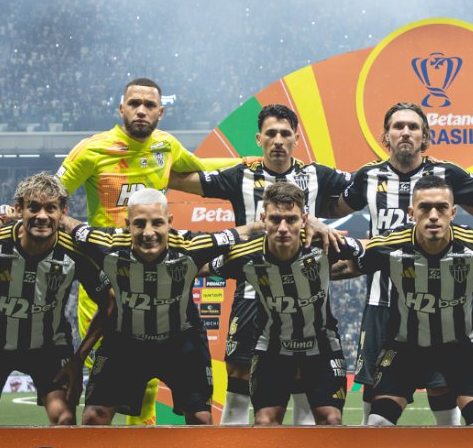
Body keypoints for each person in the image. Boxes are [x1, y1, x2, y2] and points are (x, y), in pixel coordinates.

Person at [53, 77, 250, 426]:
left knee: (148, 382)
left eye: (148, 105)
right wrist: (8, 214)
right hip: (105, 273)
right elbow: (52, 199)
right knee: (102, 377)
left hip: (156, 272)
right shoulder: (91, 150)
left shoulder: (166, 146)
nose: (141, 111)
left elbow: (203, 169)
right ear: (121, 109)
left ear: (160, 111)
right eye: (134, 104)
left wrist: (250, 162)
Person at [329, 101, 473, 424]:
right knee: (374, 396)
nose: (405, 132)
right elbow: (332, 212)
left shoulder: (446, 175)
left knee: (443, 390)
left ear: (425, 137)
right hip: (382, 301)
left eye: (413, 127)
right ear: (386, 137)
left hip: (434, 303)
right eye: (398, 126)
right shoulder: (368, 177)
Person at [172, 103, 350, 426]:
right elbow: (183, 181)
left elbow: (365, 189)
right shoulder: (241, 176)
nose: (278, 140)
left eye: (285, 133)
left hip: (305, 290)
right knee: (238, 376)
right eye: (271, 133)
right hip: (253, 289)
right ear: (259, 138)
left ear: (296, 138)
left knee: (305, 381)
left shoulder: (316, 175)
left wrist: (325, 224)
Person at [0, 174, 111, 426]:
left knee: (64, 419)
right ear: (18, 210)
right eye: (33, 207)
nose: (42, 215)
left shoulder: (75, 252)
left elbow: (109, 302)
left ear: (63, 211)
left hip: (50, 347)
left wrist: (78, 358)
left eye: (50, 208)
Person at [348, 176, 473, 426]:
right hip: (404, 347)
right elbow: (348, 264)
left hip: (461, 348)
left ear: (452, 212)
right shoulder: (389, 246)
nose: (433, 215)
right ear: (411, 213)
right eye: (424, 208)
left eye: (441, 208)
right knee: (377, 424)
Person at [68, 188, 249, 425]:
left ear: (170, 223)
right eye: (140, 224)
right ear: (127, 224)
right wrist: (3, 217)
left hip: (181, 343)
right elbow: (68, 225)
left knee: (201, 418)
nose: (149, 233)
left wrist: (304, 225)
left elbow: (238, 234)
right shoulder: (107, 244)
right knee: (93, 416)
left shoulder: (192, 245)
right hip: (125, 343)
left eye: (157, 223)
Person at [210, 182, 362, 425]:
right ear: (263, 219)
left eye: (290, 220)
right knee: (265, 421)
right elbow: (195, 266)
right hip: (271, 348)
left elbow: (374, 251)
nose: (282, 228)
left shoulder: (324, 244)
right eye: (275, 219)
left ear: (303, 220)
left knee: (331, 419)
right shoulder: (243, 255)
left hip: (322, 346)